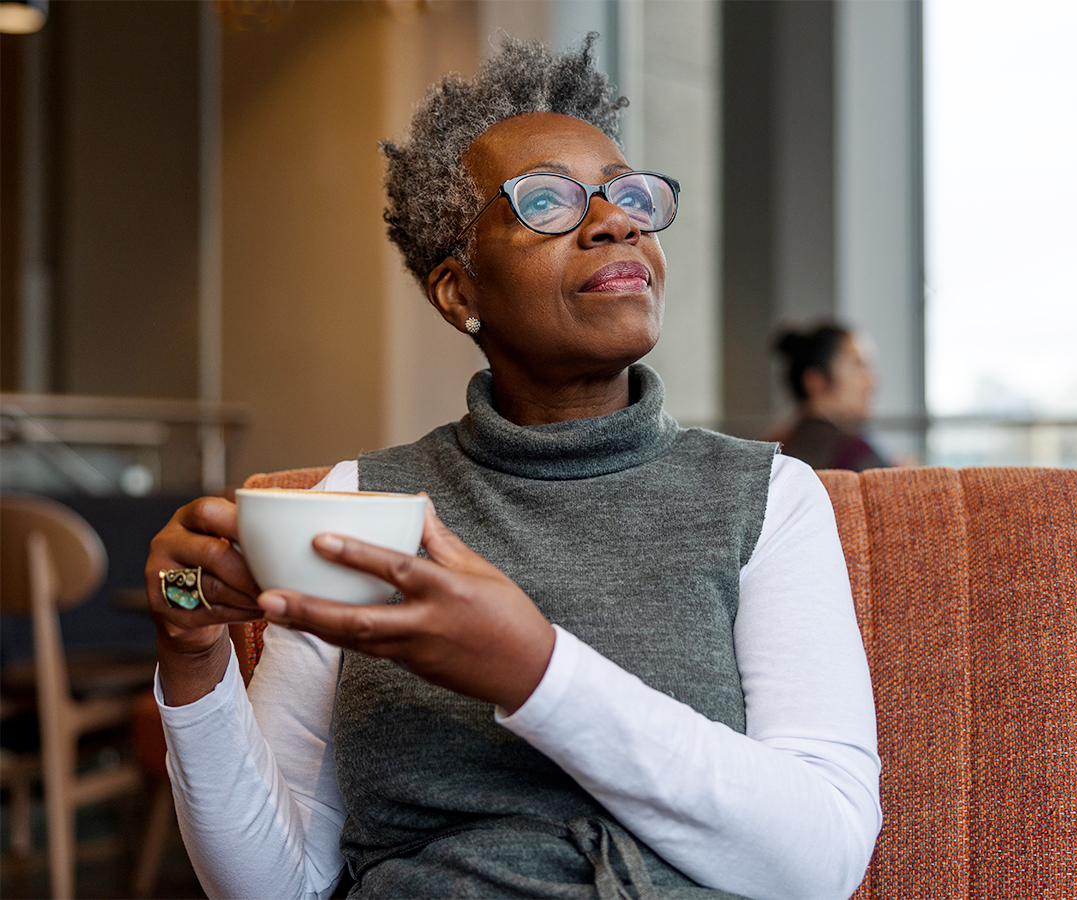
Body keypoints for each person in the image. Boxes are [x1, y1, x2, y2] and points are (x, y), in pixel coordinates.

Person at [146, 37, 880, 900]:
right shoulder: (357, 506)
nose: (617, 221)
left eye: (629, 196)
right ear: (459, 292)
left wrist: (535, 671)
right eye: (547, 202)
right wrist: (192, 657)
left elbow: (821, 862)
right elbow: (275, 885)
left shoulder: (765, 498)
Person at [766, 324, 888, 472]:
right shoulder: (855, 455)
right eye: (858, 366)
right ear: (816, 381)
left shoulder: (771, 447)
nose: (872, 381)